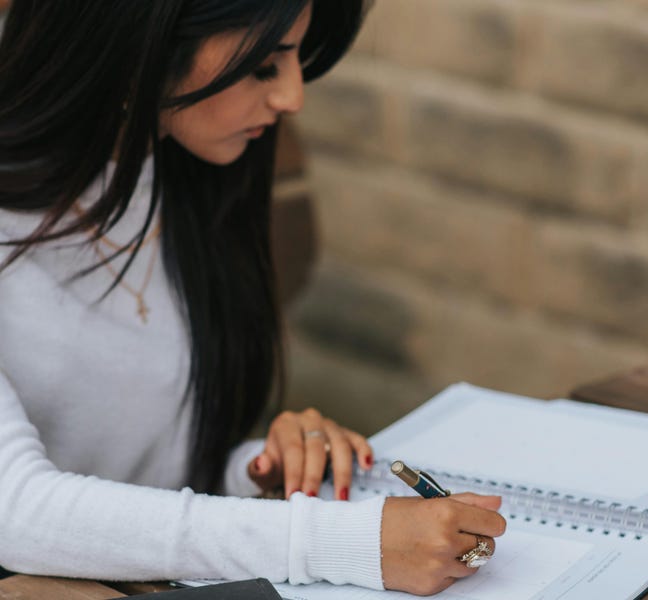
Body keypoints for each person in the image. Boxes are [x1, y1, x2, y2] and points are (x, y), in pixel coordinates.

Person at [0, 1, 506, 595]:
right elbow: (16, 512)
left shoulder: (181, 175)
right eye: (265, 65)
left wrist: (260, 469)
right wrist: (344, 541)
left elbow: (152, 475)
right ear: (142, 44)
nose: (292, 97)